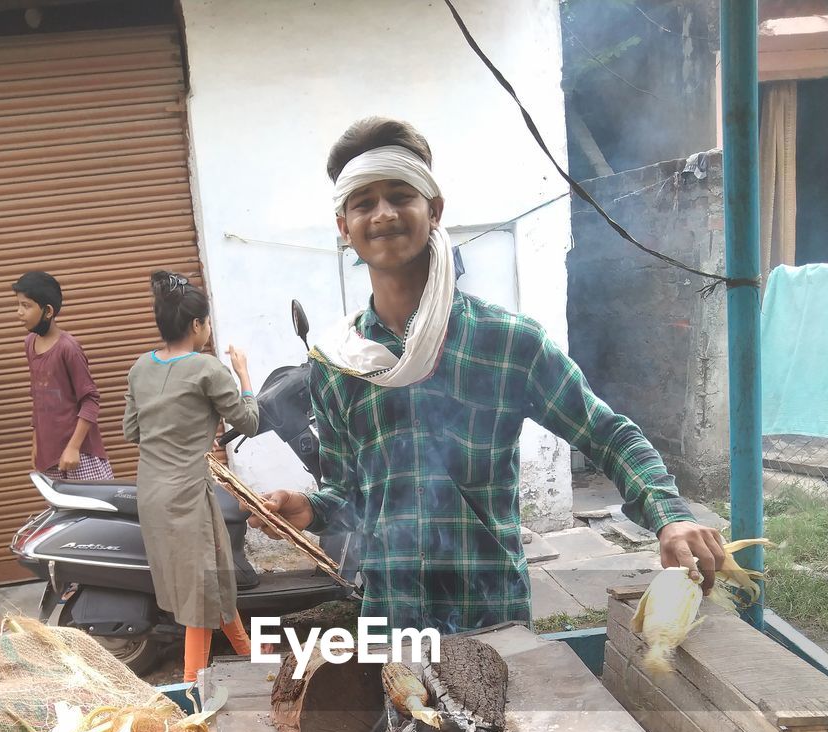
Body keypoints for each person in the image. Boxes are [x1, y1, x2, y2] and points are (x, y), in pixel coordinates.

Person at [250, 117, 728, 634]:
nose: (383, 213)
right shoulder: (338, 363)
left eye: (400, 195)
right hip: (390, 613)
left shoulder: (508, 343)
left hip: (491, 613)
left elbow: (608, 434)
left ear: (434, 211)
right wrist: (310, 508)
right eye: (364, 202)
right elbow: (348, 490)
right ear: (344, 226)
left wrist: (669, 513)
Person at [122, 271, 259, 697]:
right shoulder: (208, 369)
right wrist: (243, 373)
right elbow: (249, 422)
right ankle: (189, 689)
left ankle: (247, 650)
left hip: (152, 493)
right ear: (197, 326)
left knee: (213, 575)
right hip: (186, 495)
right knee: (200, 591)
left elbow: (131, 431)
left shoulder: (141, 366)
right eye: (208, 323)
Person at [13, 270, 112, 481]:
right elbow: (39, 399)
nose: (19, 312)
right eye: (18, 304)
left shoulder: (69, 348)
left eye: (26, 306)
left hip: (79, 455)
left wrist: (74, 447)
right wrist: (36, 442)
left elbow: (90, 401)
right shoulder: (30, 343)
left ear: (48, 311)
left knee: (93, 512)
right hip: (50, 456)